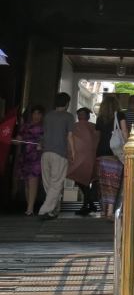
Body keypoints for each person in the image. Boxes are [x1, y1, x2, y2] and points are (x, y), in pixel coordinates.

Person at [38, 92, 75, 220]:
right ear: (67, 103)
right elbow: (70, 136)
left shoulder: (48, 116)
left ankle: (54, 209)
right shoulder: (69, 116)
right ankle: (44, 210)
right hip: (60, 153)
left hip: (45, 152)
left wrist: (40, 144)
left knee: (48, 183)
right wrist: (73, 152)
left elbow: (44, 133)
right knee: (56, 183)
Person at [95, 94, 128, 219]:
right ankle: (110, 211)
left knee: (104, 183)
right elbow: (124, 132)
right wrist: (129, 146)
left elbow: (97, 136)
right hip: (115, 152)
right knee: (113, 182)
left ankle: (104, 210)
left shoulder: (100, 118)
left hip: (101, 153)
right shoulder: (120, 115)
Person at [68, 107, 99, 215]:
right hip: (91, 157)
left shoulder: (74, 126)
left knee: (80, 180)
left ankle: (88, 204)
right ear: (89, 116)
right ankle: (89, 204)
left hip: (78, 157)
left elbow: (69, 140)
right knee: (83, 181)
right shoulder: (93, 127)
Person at [15, 104, 44, 215]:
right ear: (31, 114)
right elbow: (19, 139)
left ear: (42, 115)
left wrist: (42, 144)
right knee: (27, 182)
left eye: (39, 113)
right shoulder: (24, 126)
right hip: (25, 156)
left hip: (36, 157)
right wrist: (16, 140)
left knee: (33, 181)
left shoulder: (44, 127)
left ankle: (30, 208)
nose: (36, 115)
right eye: (35, 113)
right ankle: (29, 206)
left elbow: (45, 141)